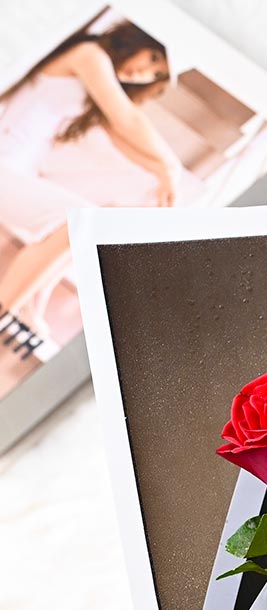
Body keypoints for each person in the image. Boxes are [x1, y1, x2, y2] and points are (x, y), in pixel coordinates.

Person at [0, 20, 182, 360]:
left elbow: (120, 133)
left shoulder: (96, 77)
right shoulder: (89, 54)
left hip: (16, 167)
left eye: (155, 73)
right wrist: (170, 167)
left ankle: (27, 306)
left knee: (87, 224)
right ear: (136, 37)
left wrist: (160, 170)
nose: (145, 71)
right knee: (76, 221)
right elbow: (126, 118)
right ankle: (8, 308)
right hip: (4, 158)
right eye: (154, 57)